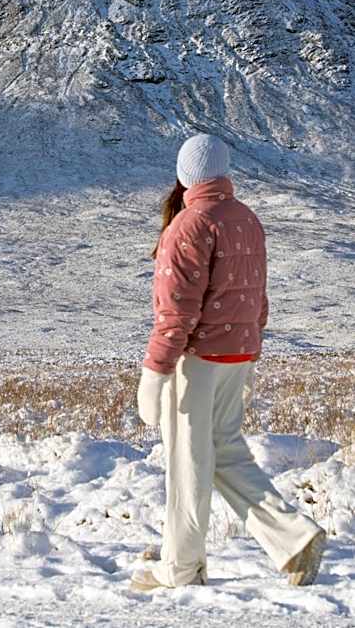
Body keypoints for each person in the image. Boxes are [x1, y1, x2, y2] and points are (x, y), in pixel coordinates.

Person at [131, 132, 326, 592]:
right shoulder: (246, 218)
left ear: (184, 175)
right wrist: (250, 350)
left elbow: (176, 312)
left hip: (197, 360)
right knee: (221, 454)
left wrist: (154, 372)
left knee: (188, 465)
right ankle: (293, 538)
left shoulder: (189, 225)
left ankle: (180, 568)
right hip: (238, 352)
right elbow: (258, 297)